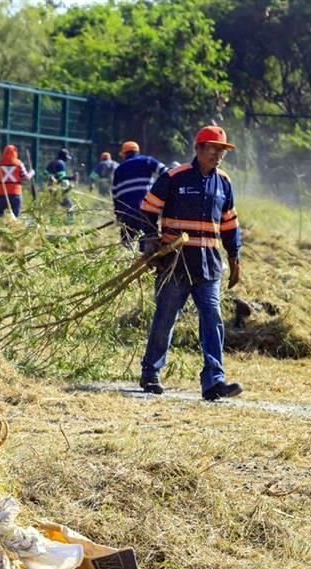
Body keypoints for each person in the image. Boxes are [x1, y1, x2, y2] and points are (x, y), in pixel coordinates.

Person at [133, 125, 243, 402]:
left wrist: (234, 257)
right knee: (166, 317)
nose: (218, 155)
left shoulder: (224, 183)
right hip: (175, 264)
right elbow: (147, 210)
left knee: (212, 319)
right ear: (198, 149)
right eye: (213, 149)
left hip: (208, 265)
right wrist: (149, 241)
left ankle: (214, 381)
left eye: (222, 151)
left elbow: (229, 223)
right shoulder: (174, 177)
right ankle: (151, 373)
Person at [112, 140, 166, 247]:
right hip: (146, 211)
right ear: (137, 152)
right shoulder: (147, 161)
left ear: (124, 155)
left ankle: (127, 257)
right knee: (149, 242)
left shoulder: (119, 170)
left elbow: (115, 195)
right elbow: (166, 172)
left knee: (127, 243)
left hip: (127, 213)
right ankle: (147, 257)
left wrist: (118, 215)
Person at [0, 144, 33, 218]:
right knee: (15, 215)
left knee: (0, 215)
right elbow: (25, 177)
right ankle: (13, 227)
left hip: (1, 193)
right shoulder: (19, 163)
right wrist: (32, 172)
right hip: (15, 193)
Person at [45, 148, 75, 218]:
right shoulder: (61, 163)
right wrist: (71, 178)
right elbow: (61, 178)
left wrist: (51, 177)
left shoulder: (51, 163)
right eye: (66, 158)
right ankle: (70, 222)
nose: (67, 160)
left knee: (54, 205)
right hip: (60, 188)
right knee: (70, 206)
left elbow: (45, 173)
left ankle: (53, 221)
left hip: (51, 187)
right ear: (64, 157)